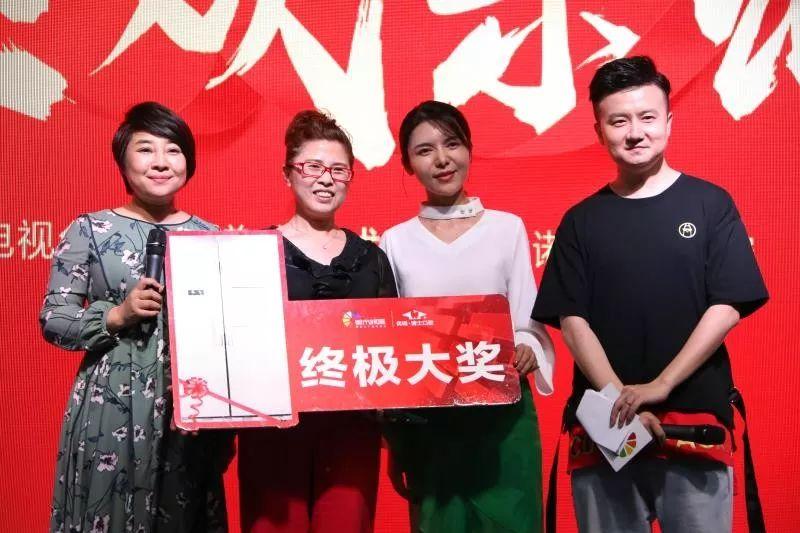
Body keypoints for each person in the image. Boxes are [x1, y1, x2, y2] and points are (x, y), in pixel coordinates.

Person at [532, 56, 768, 533]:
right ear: (599, 131)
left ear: (668, 122)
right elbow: (572, 322)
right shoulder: (581, 220)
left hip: (695, 424)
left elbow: (725, 308)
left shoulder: (711, 204)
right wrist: (621, 401)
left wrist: (661, 385)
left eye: (647, 117)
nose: (635, 133)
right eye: (618, 121)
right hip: (606, 430)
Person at [41, 102, 230, 532]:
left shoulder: (212, 237)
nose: (161, 162)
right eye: (146, 149)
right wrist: (116, 315)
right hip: (112, 401)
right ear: (123, 162)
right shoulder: (89, 230)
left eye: (173, 150)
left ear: (188, 162)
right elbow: (54, 318)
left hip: (189, 406)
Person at [380, 100, 556, 533]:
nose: (442, 159)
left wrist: (527, 347)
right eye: (424, 151)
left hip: (503, 419)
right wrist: (396, 438)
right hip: (431, 424)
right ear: (407, 164)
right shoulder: (395, 241)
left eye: (452, 144)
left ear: (469, 149)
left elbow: (527, 319)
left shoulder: (507, 228)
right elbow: (391, 340)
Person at [237, 110, 397, 533]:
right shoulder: (251, 252)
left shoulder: (372, 259)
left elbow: (390, 346)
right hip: (272, 427)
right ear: (288, 174)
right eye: (313, 167)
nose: (326, 179)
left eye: (338, 170)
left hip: (352, 433)